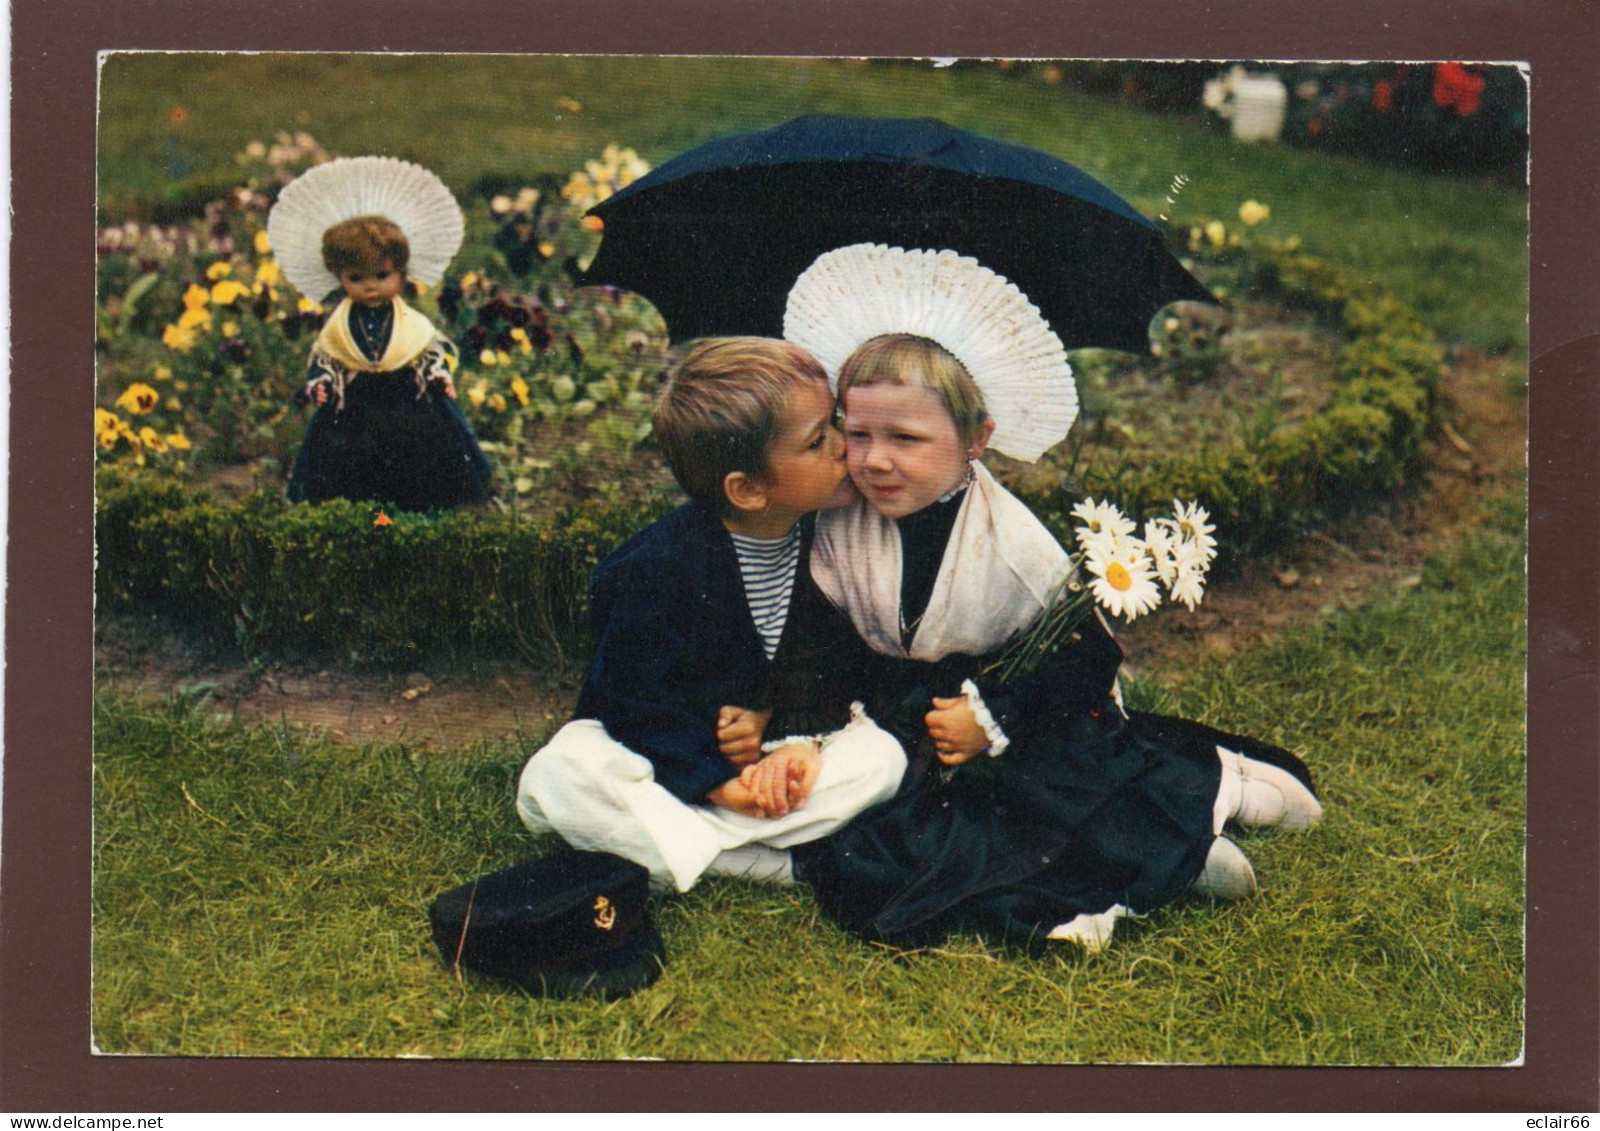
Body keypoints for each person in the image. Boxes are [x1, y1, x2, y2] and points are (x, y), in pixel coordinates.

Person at [778, 244, 1322, 952]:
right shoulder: (837, 525)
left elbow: (1079, 663)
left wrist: (992, 718)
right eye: (858, 434)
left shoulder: (1015, 548)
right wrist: (812, 725)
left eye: (906, 438)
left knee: (1047, 789)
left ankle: (1193, 809)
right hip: (903, 720)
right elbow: (815, 638)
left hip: (1017, 711)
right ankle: (1135, 857)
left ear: (976, 439)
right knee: (882, 836)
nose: (876, 459)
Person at [515, 338, 907, 894]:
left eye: (836, 425)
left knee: (881, 758)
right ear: (747, 490)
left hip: (790, 752)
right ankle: (769, 862)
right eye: (819, 440)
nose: (846, 446)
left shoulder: (836, 536)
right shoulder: (655, 570)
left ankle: (675, 848)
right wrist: (723, 784)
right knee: (566, 769)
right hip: (681, 766)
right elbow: (632, 703)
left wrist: (790, 730)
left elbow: (851, 662)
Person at [285, 214, 492, 510]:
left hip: (407, 396)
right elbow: (328, 357)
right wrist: (323, 381)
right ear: (339, 277)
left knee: (422, 450)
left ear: (401, 273)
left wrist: (438, 376)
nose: (370, 287)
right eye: (355, 278)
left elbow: (427, 351)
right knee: (344, 456)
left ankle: (423, 505)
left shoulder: (410, 322)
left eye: (382, 276)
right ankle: (351, 506)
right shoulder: (339, 325)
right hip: (356, 403)